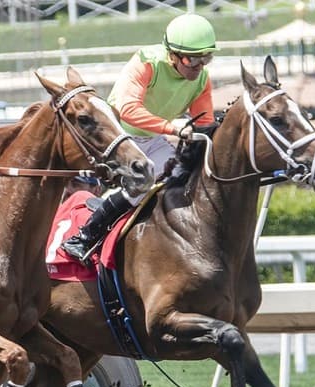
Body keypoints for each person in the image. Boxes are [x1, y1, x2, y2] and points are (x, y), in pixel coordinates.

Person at [60, 12, 217, 264]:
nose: (198, 67)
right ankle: (84, 237)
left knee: (187, 176)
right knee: (147, 177)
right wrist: (172, 128)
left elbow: (205, 123)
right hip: (116, 137)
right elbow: (128, 110)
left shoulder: (201, 79)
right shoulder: (147, 63)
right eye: (192, 60)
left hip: (152, 138)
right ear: (172, 55)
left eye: (205, 59)